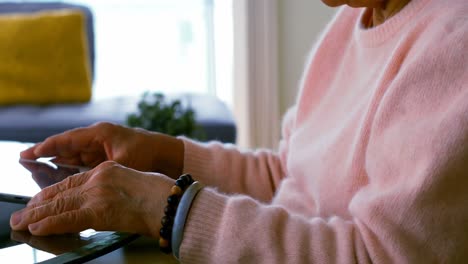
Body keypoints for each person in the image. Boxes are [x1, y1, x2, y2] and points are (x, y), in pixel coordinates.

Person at [10, 0, 468, 262]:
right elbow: (287, 177)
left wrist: (163, 208)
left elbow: (380, 257)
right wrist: (165, 155)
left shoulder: (453, 44)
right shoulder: (353, 18)